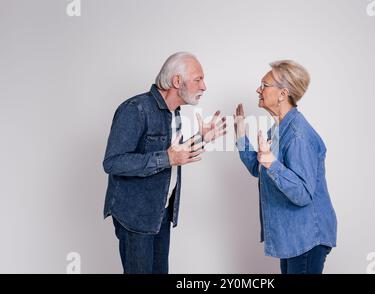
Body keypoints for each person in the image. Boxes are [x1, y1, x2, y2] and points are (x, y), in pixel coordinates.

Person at [103, 52, 226, 274]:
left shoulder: (174, 113)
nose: (204, 86)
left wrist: (201, 139)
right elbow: (113, 162)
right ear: (177, 81)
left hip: (160, 213)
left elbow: (174, 153)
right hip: (135, 218)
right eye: (198, 79)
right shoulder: (135, 109)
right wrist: (167, 158)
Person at [233, 60, 337, 274]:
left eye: (264, 85)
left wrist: (271, 162)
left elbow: (303, 193)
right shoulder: (279, 129)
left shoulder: (298, 134)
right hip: (292, 236)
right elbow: (259, 169)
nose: (258, 89)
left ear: (283, 93)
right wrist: (241, 134)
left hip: (308, 236)